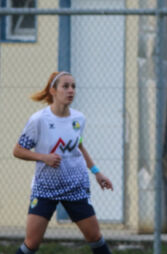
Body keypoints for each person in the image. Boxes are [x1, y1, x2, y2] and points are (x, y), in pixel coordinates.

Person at [13, 71, 114, 254]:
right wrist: (44, 157)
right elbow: (18, 151)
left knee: (95, 237)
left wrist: (97, 172)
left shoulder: (79, 119)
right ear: (53, 90)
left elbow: (79, 146)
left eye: (73, 86)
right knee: (32, 243)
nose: (71, 91)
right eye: (65, 86)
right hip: (45, 188)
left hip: (75, 185)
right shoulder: (39, 120)